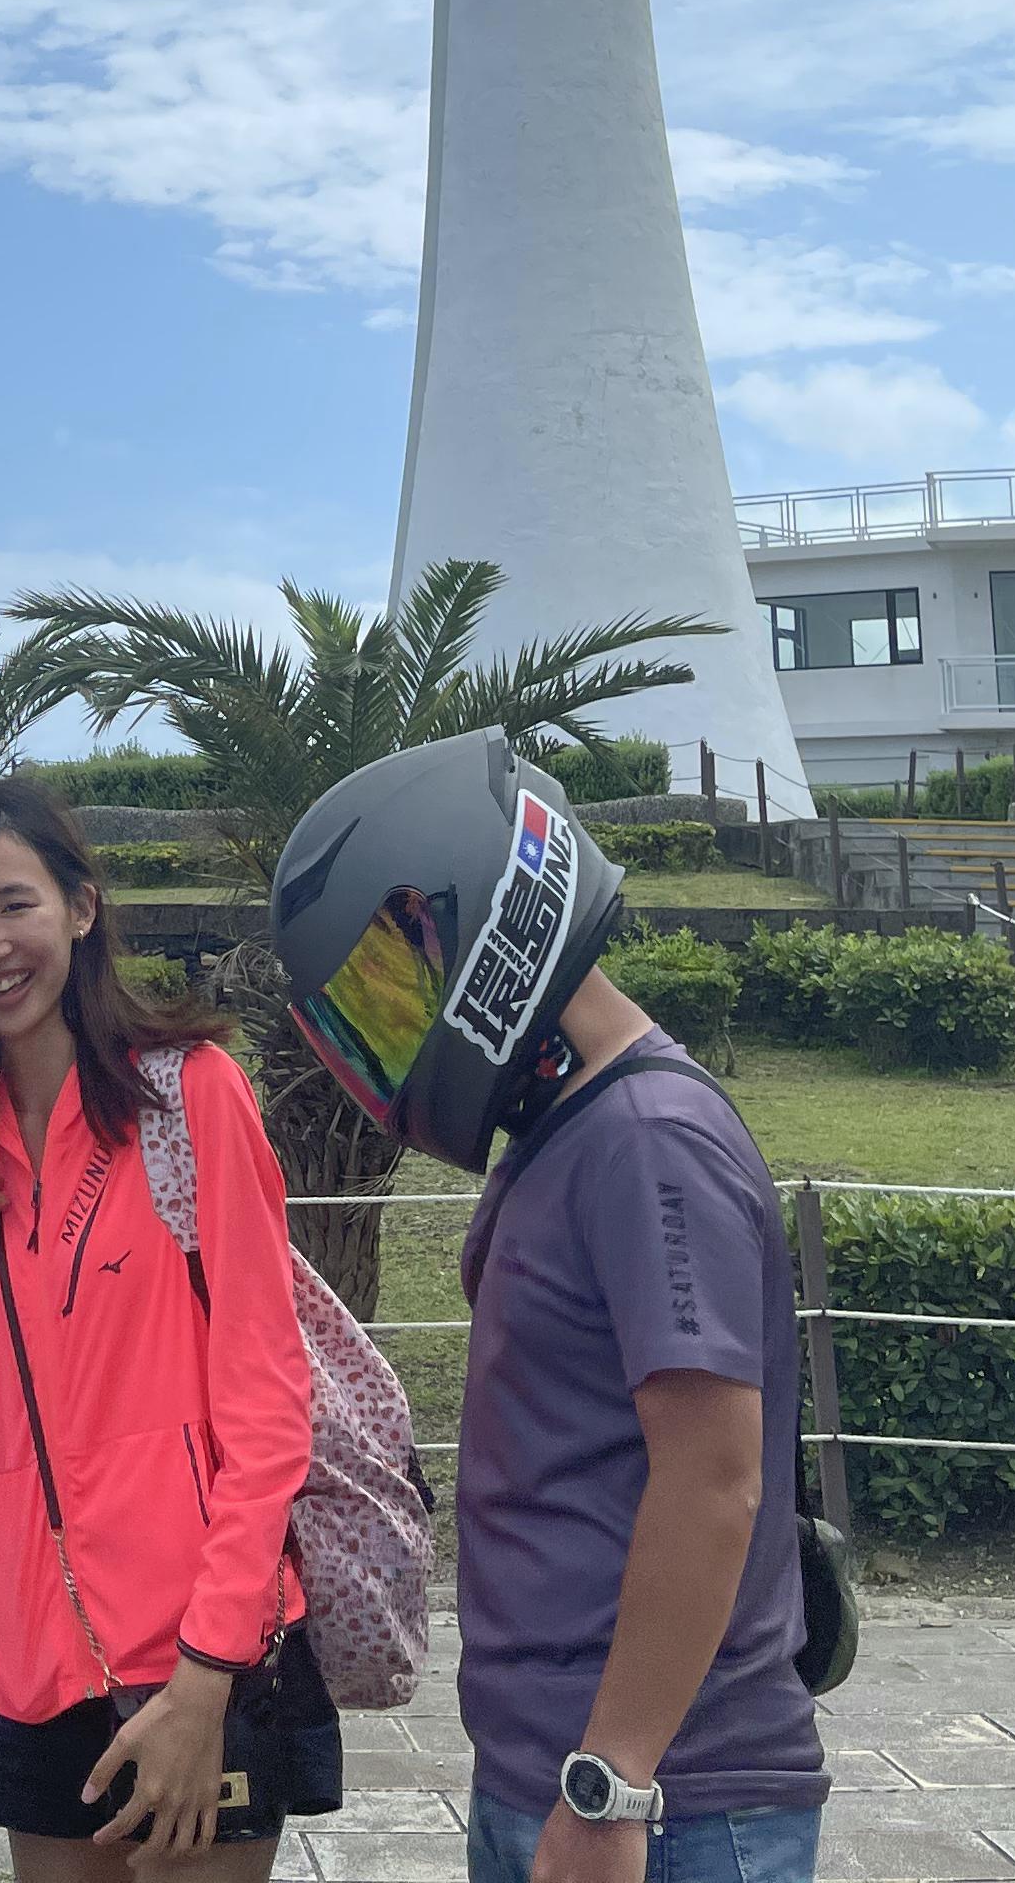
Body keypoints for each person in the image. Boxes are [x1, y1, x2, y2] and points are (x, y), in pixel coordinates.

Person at [266, 733, 827, 1883]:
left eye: (391, 995)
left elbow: (713, 1480)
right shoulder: (574, 1131)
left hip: (662, 1801)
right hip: (563, 1772)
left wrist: (610, 1786)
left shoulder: (646, 1143)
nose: (387, 1052)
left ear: (478, 929)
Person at [0, 775, 339, 1883]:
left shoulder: (192, 1097)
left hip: (197, 1646)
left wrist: (210, 1674)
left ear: (82, 908)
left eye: (15, 904)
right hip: (31, 1659)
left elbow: (265, 1398)